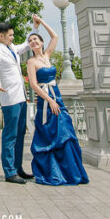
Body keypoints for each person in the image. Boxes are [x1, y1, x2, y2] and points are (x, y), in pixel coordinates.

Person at [26, 16, 89, 185]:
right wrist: (49, 100)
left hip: (57, 97)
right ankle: (52, 172)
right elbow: (33, 84)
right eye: (30, 41)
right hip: (46, 101)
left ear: (41, 42)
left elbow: (55, 36)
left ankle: (71, 173)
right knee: (49, 134)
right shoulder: (31, 62)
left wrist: (40, 23)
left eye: (35, 40)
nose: (33, 42)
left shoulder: (47, 55)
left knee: (65, 132)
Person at [0, 21, 33, 184]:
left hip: (21, 96)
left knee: (20, 133)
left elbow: (26, 45)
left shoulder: (11, 47)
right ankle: (9, 172)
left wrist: (35, 28)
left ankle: (18, 168)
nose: (13, 38)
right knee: (10, 135)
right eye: (10, 35)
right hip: (10, 98)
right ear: (1, 36)